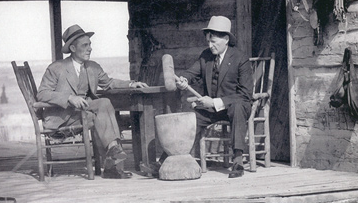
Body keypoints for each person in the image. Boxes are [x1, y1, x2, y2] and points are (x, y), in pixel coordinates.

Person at [143, 16, 253, 178]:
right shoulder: (206, 56)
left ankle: (237, 162)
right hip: (211, 109)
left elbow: (245, 95)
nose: (210, 45)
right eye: (209, 41)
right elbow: (191, 73)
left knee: (237, 108)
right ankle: (165, 160)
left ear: (226, 39)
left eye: (214, 41)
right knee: (190, 118)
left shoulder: (240, 58)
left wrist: (216, 101)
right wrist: (184, 80)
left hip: (236, 106)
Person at [37, 24, 148, 179]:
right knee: (101, 110)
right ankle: (112, 162)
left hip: (81, 114)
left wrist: (131, 84)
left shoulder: (92, 67)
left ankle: (113, 152)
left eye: (90, 44)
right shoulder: (56, 68)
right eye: (85, 45)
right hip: (60, 118)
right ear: (73, 48)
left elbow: (109, 83)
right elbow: (42, 94)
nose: (90, 48)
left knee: (103, 104)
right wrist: (69, 98)